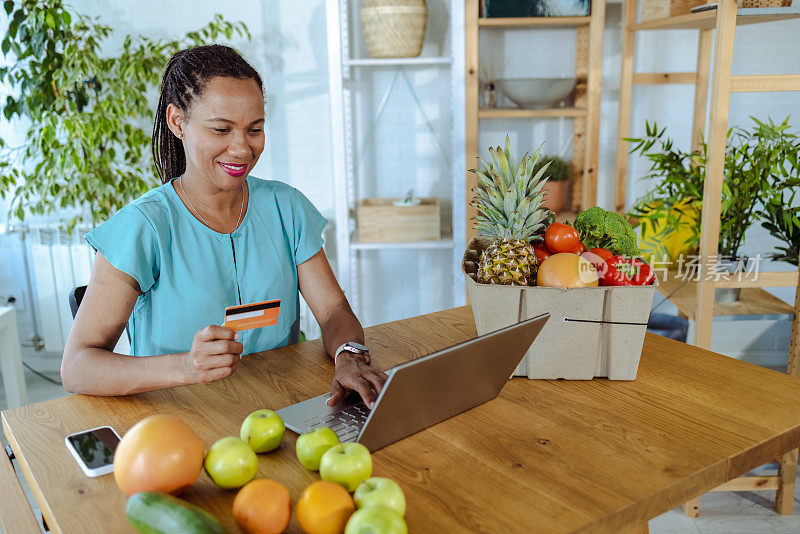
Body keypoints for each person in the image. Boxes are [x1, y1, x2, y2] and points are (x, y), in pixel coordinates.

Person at [61, 45, 386, 408]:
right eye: (221, 129)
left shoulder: (286, 208)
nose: (242, 148)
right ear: (177, 122)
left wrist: (349, 355)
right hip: (182, 422)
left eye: (254, 129)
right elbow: (77, 367)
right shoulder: (143, 227)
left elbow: (332, 311)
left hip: (280, 409)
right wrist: (185, 366)